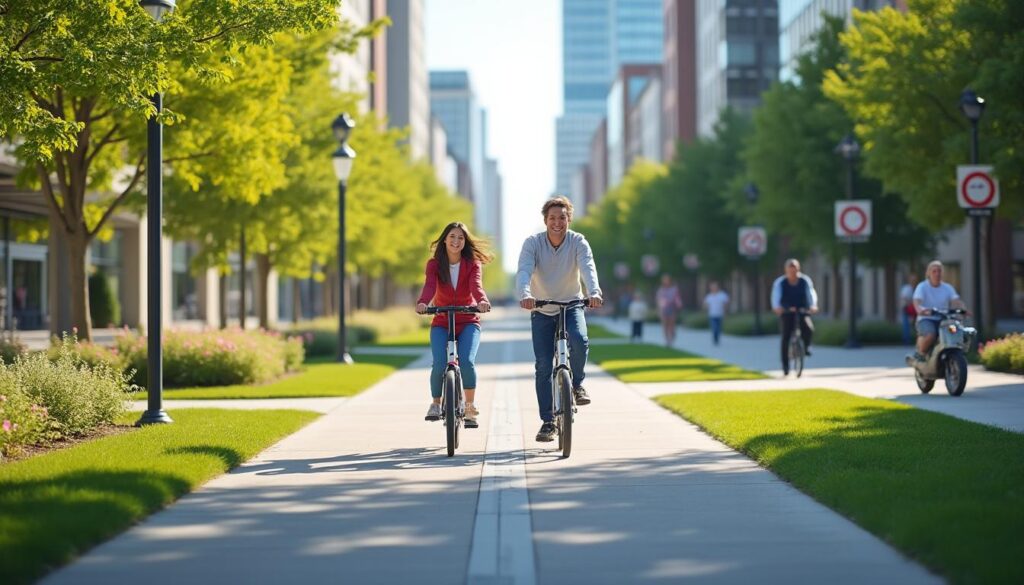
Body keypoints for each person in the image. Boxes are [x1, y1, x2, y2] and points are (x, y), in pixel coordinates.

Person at [516, 196, 603, 443]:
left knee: (579, 339)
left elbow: (588, 267)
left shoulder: (578, 242)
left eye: (562, 217)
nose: (557, 222)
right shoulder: (533, 243)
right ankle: (548, 422)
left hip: (572, 304)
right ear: (545, 220)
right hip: (542, 308)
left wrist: (594, 292)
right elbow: (524, 270)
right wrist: (525, 294)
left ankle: (577, 384)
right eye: (552, 218)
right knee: (543, 365)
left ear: (569, 219)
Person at [416, 222, 493, 429]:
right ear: (444, 239)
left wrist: (482, 301)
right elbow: (430, 286)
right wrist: (423, 303)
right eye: (452, 237)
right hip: (442, 321)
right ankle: (435, 403)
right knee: (439, 363)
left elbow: (476, 286)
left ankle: (469, 406)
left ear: (465, 242)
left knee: (467, 361)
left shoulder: (472, 264)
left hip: (468, 320)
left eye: (460, 238)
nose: (456, 241)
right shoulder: (434, 265)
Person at [770, 259, 819, 376]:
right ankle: (785, 367)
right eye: (790, 269)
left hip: (802, 308)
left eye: (795, 269)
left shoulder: (804, 281)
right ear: (786, 270)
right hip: (786, 310)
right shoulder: (780, 282)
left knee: (808, 327)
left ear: (798, 269)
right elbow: (775, 296)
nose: (792, 272)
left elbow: (811, 293)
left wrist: (813, 305)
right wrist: (777, 307)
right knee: (785, 337)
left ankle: (806, 347)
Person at [912, 260, 966, 361]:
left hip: (944, 319)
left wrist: (962, 309)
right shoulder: (922, 286)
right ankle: (920, 352)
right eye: (934, 271)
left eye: (939, 271)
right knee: (931, 335)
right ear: (928, 273)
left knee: (957, 332)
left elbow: (956, 301)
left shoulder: (948, 288)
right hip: (926, 318)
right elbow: (917, 301)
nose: (937, 274)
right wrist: (920, 310)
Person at [655, 274, 683, 346]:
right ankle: (667, 340)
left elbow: (677, 298)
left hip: (672, 308)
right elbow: (658, 300)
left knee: (671, 325)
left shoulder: (674, 289)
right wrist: (659, 310)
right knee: (665, 325)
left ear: (670, 281)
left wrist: (679, 304)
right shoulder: (661, 290)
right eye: (664, 280)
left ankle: (672, 335)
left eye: (667, 280)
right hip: (664, 309)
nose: (666, 281)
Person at [703, 281, 730, 346]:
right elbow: (705, 304)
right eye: (712, 287)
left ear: (718, 287)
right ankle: (715, 339)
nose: (713, 288)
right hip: (712, 315)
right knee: (714, 327)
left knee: (718, 328)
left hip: (720, 314)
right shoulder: (709, 296)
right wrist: (706, 307)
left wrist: (725, 312)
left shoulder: (722, 295)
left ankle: (717, 338)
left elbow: (726, 304)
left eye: (715, 287)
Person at [899, 272, 919, 346]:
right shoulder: (906, 288)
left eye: (915, 279)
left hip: (915, 309)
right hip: (907, 309)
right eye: (912, 279)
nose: (913, 281)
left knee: (917, 324)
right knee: (906, 325)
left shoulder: (917, 288)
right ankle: (906, 340)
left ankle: (917, 339)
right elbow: (904, 298)